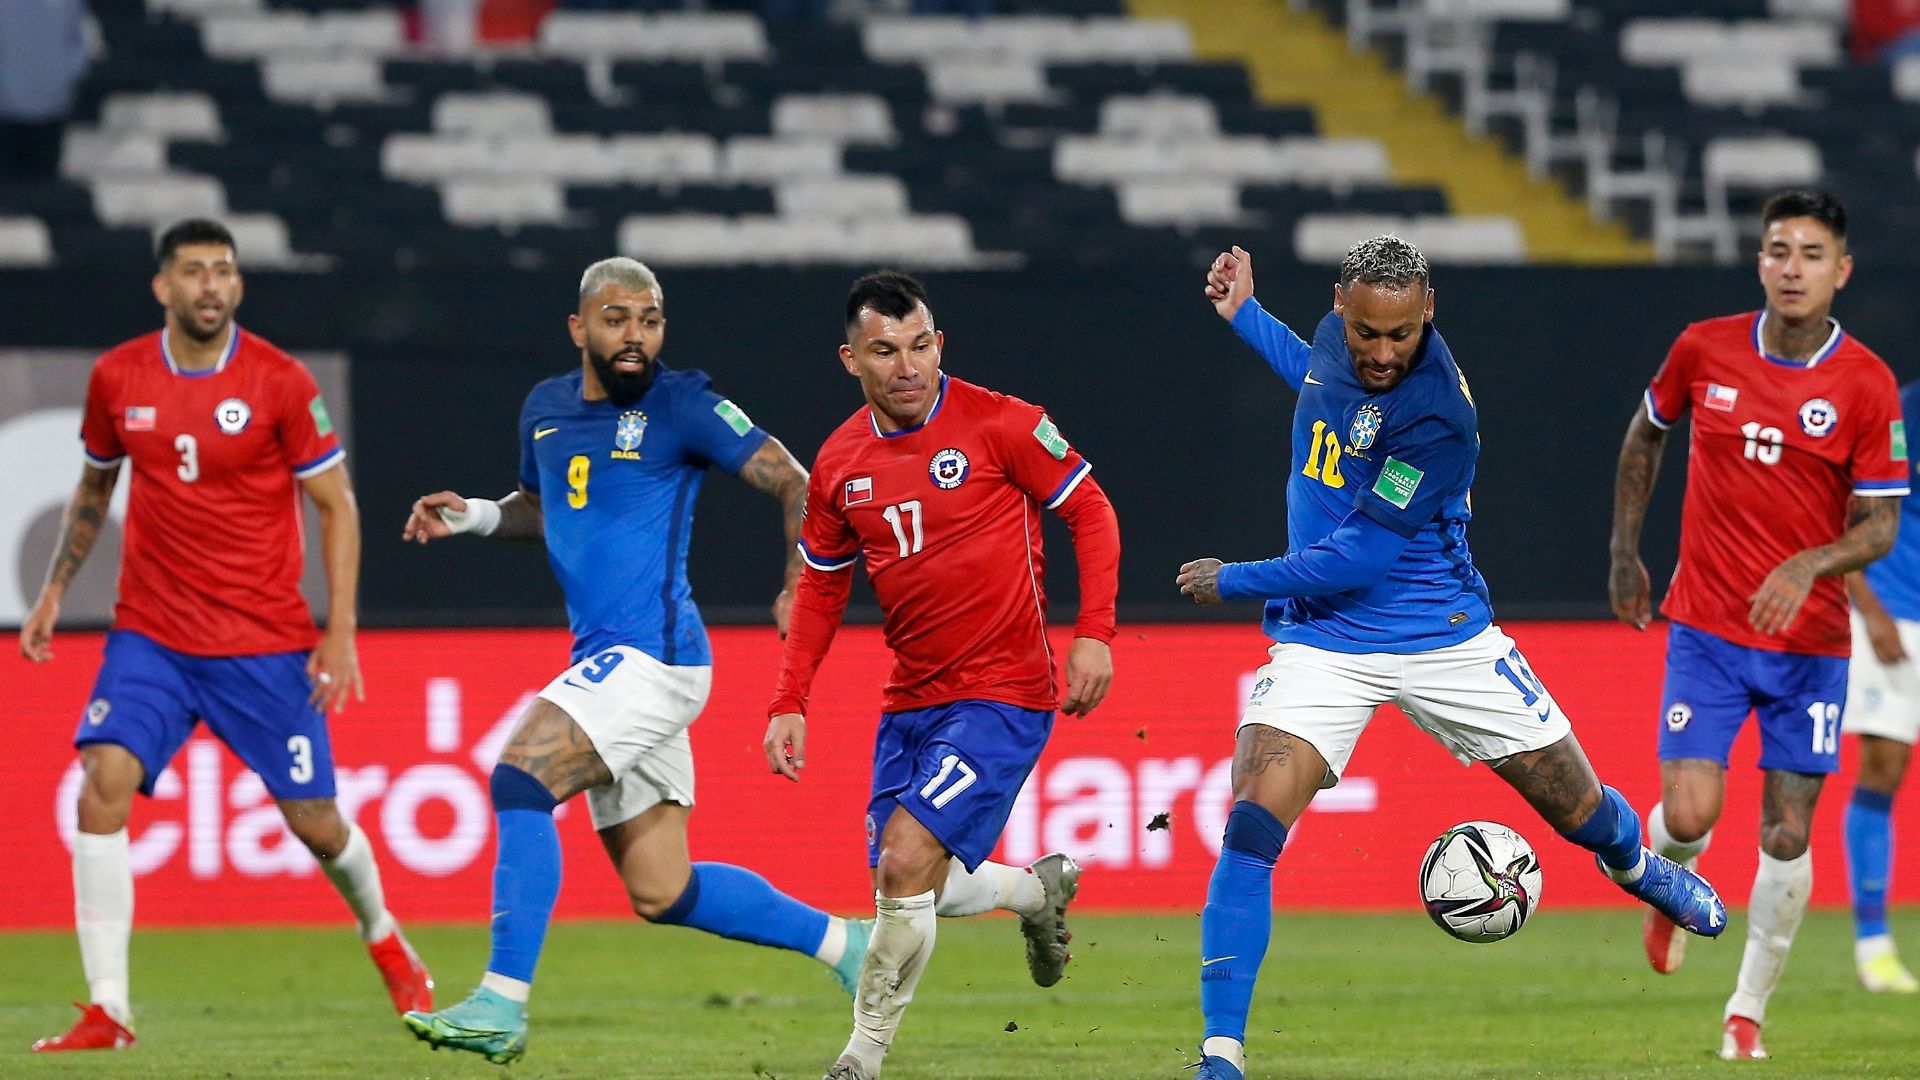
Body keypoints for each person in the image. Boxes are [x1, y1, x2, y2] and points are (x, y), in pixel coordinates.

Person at [1179, 237, 1727, 1080]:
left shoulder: (1441, 414)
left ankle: (1634, 865)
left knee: (1576, 806)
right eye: (1367, 334)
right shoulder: (1338, 345)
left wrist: (1235, 577)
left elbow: (1357, 558)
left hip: (1444, 636)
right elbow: (1317, 379)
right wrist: (1245, 315)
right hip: (1325, 641)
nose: (1384, 354)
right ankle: (1220, 1054)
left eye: (1400, 336)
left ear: (1427, 310)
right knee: (1250, 824)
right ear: (1342, 311)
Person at [398, 256, 869, 1065]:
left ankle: (501, 1004)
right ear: (580, 328)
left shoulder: (683, 402)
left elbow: (795, 479)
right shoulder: (544, 409)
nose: (635, 336)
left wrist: (800, 585)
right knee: (661, 889)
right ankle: (847, 946)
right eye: (617, 319)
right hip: (612, 661)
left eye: (649, 321)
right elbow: (548, 508)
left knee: (519, 777)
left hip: (654, 657)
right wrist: (474, 516)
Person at [18, 218, 432, 1053]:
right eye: (194, 272)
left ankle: (385, 935)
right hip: (154, 636)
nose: (211, 285)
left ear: (238, 286)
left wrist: (340, 629)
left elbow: (336, 505)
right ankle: (109, 1009)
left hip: (263, 641)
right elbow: (95, 489)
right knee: (102, 779)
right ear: (163, 287)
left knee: (317, 825)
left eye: (224, 272)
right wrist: (53, 591)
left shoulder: (279, 381)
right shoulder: (117, 376)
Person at [761, 270, 1121, 1080]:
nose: (907, 366)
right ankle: (1035, 893)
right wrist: (790, 698)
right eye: (884, 351)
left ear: (939, 344)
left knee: (902, 862)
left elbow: (1090, 510)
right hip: (911, 699)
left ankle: (862, 1057)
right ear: (850, 358)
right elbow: (821, 585)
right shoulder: (839, 463)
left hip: (1003, 693)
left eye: (919, 345)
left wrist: (1093, 634)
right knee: (917, 887)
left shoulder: (1003, 424)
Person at [1610, 189, 1907, 1060]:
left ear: (1841, 272)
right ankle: (1671, 885)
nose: (1793, 267)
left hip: (1809, 644)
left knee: (1785, 831)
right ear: (1760, 260)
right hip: (1706, 624)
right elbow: (1644, 435)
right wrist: (1626, 552)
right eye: (1779, 250)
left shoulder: (1866, 383)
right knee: (1688, 814)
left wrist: (1811, 562)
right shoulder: (1704, 347)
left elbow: (1881, 523)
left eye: (1812, 254)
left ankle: (1746, 1013)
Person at [1843, 378, 1920, 990]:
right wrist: (1868, 610)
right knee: (1884, 770)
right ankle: (1874, 945)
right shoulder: (1901, 411)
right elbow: (1840, 510)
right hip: (1895, 610)